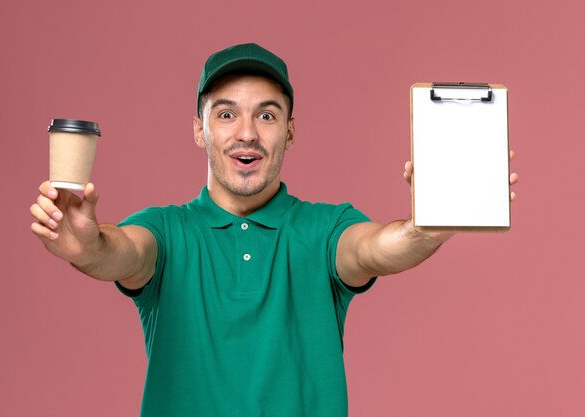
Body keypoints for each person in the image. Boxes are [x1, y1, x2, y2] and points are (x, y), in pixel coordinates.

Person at [30, 43, 519, 417]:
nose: (247, 133)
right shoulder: (166, 230)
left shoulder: (324, 228)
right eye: (226, 114)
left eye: (267, 114)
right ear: (199, 129)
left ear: (289, 130)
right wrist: (87, 247)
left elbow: (373, 249)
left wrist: (428, 226)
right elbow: (122, 252)